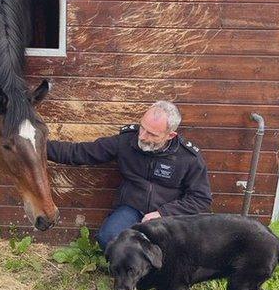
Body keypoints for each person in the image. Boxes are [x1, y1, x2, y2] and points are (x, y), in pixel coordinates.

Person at [46, 101, 213, 251]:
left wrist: (163, 213)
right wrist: (37, 146)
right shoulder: (126, 141)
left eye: (152, 134)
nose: (142, 136)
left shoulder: (189, 158)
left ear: (170, 135)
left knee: (172, 250)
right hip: (132, 208)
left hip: (168, 215)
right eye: (142, 127)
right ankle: (129, 271)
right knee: (109, 238)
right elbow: (81, 153)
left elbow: (201, 199)